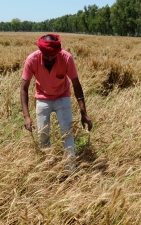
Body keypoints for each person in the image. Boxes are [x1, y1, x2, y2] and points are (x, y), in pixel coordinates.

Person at [20, 34, 92, 171]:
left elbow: (76, 84)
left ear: (58, 52)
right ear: (41, 52)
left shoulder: (66, 58)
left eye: (53, 56)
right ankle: (47, 169)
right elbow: (24, 88)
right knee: (43, 136)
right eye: (47, 56)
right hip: (42, 98)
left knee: (67, 133)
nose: (50, 59)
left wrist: (84, 113)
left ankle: (71, 170)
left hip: (62, 97)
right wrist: (26, 116)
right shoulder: (31, 60)